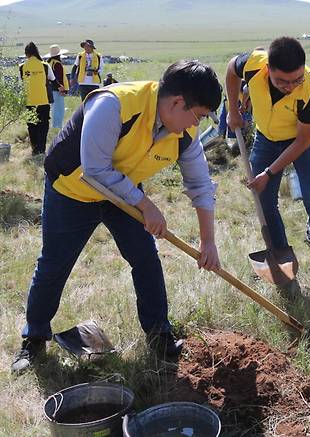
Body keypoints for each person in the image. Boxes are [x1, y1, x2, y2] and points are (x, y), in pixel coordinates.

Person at [11, 60, 223, 373]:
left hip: (121, 194)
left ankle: (160, 335)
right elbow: (95, 168)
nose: (197, 124)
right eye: (199, 116)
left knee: (145, 259)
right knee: (55, 265)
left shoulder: (184, 135)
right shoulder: (114, 105)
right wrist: (147, 205)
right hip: (72, 189)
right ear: (178, 102)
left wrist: (208, 242)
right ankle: (34, 339)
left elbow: (200, 185)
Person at [225, 37, 310, 303]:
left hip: (304, 141)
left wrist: (270, 173)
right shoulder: (253, 64)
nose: (290, 87)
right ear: (268, 70)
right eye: (282, 82)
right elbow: (231, 69)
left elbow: (303, 141)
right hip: (266, 137)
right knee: (263, 201)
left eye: (295, 80)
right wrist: (232, 109)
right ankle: (281, 262)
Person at [19, 42, 63, 155]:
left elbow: (21, 84)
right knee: (43, 125)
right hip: (43, 101)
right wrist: (60, 87)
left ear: (27, 54)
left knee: (32, 125)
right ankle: (42, 149)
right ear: (36, 52)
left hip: (29, 102)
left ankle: (35, 148)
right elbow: (53, 80)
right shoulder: (44, 65)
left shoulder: (22, 67)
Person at [45, 44, 69, 129]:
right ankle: (57, 127)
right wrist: (62, 90)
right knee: (59, 109)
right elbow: (59, 78)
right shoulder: (57, 64)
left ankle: (55, 126)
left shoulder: (49, 63)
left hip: (50, 89)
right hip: (57, 90)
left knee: (54, 109)